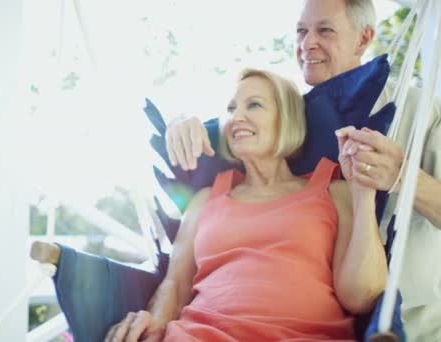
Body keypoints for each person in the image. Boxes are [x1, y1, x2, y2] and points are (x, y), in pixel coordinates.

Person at [164, 1, 441, 340]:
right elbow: (235, 127)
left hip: (415, 320)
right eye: (300, 30)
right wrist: (183, 123)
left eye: (325, 30)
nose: (307, 43)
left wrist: (401, 175)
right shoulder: (299, 117)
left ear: (363, 38)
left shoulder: (424, 111)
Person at [101, 68, 387, 341]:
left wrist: (363, 196)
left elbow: (361, 297)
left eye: (254, 105)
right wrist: (155, 321)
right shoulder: (205, 199)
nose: (236, 117)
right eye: (230, 109)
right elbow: (175, 283)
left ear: (286, 118)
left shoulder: (333, 190)